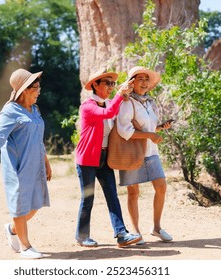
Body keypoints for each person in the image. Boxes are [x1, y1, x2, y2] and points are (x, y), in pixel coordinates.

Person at [0, 68, 52, 259]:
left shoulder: (35, 110)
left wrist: (46, 160)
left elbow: (38, 138)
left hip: (35, 162)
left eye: (39, 87)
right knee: (20, 204)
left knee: (36, 202)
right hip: (18, 165)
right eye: (36, 88)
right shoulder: (10, 110)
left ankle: (12, 228)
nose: (39, 91)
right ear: (25, 90)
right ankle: (25, 247)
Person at [75, 68, 142, 248]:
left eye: (113, 83)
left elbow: (117, 114)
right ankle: (82, 236)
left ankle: (121, 234)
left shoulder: (110, 102)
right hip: (87, 159)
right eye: (107, 83)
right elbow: (109, 114)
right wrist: (120, 95)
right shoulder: (88, 106)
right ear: (95, 85)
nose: (111, 86)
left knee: (112, 195)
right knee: (88, 199)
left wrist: (124, 96)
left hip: (104, 157)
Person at [116, 66, 173, 245]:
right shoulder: (126, 103)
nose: (144, 82)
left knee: (161, 187)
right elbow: (124, 131)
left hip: (151, 152)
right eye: (140, 79)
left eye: (146, 79)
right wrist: (150, 135)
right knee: (133, 192)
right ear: (131, 83)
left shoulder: (149, 102)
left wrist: (160, 128)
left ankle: (156, 227)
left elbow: (147, 128)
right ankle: (136, 232)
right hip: (132, 153)